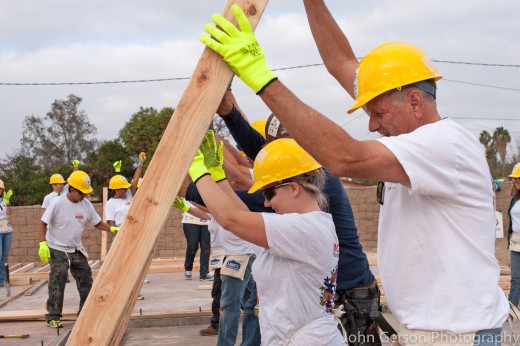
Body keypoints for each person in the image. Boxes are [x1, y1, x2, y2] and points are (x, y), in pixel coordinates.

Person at [200, 4, 509, 344]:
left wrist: (260, 77)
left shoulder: (444, 145)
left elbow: (343, 158)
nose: (372, 125)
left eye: (378, 113)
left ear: (416, 103)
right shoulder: (419, 142)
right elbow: (340, 63)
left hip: (457, 336)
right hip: (435, 331)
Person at [217, 89, 379, 344]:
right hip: (323, 291)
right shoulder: (304, 173)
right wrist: (229, 113)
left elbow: (247, 199)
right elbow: (263, 155)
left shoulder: (315, 178)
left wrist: (202, 185)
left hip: (351, 291)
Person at [189, 131, 344, 345]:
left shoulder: (304, 228)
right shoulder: (306, 226)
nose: (267, 203)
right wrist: (217, 176)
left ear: (293, 188)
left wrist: (196, 170)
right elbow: (243, 216)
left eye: (269, 193)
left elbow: (231, 219)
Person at [38, 170, 119, 328]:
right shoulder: (57, 203)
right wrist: (42, 243)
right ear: (72, 189)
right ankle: (53, 316)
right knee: (58, 277)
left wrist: (111, 229)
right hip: (57, 247)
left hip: (75, 248)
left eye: (86, 193)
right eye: (81, 193)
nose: (84, 196)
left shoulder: (86, 204)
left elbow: (96, 222)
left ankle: (85, 313)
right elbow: (42, 223)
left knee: (86, 278)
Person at [174, 196, 224, 337]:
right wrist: (186, 207)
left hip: (229, 254)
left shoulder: (224, 208)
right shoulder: (218, 210)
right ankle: (218, 324)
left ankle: (218, 325)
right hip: (222, 255)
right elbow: (205, 213)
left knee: (223, 293)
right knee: (221, 293)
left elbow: (207, 212)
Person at [181, 182, 213, 281]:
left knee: (206, 248)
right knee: (192, 246)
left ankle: (204, 273)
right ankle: (188, 268)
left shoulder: (206, 186)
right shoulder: (187, 186)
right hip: (190, 220)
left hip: (206, 221)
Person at [508, 163, 520, 307]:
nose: (516, 181)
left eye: (519, 178)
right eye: (515, 179)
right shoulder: (514, 200)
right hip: (516, 240)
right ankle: (511, 308)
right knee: (516, 277)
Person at [0, 180, 13, 288]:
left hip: (7, 230)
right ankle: (2, 279)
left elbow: (9, 213)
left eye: (0, 189)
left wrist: (7, 202)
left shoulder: (4, 200)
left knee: (4, 257)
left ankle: (3, 280)